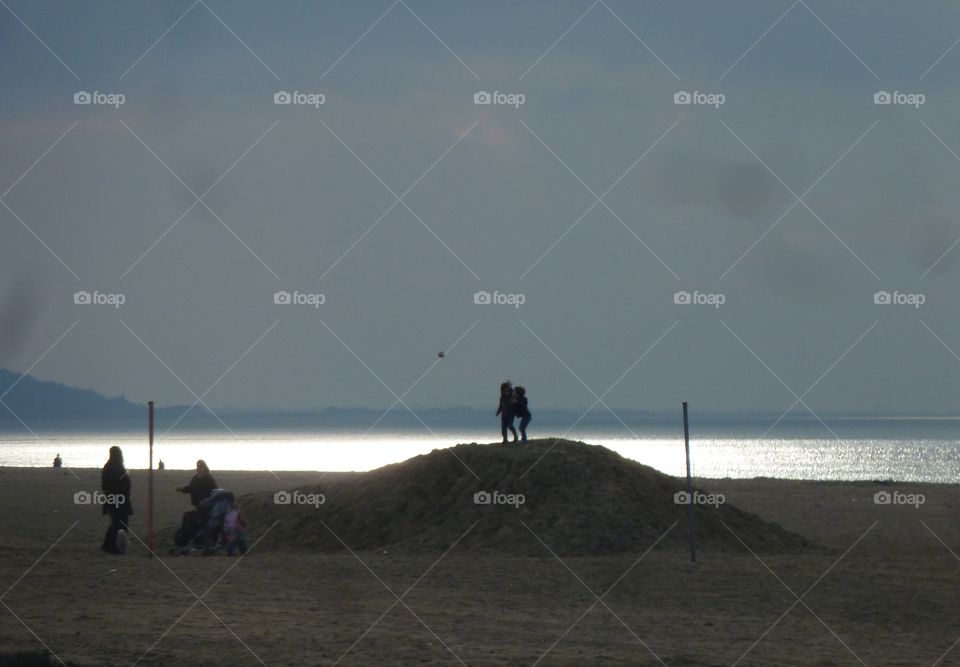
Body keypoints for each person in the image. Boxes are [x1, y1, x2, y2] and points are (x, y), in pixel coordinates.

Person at [101, 446, 132, 554]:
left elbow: (104, 485)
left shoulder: (108, 467)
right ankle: (114, 547)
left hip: (113, 499)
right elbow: (123, 484)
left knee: (115, 523)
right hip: (119, 499)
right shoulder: (117, 467)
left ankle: (108, 545)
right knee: (120, 524)